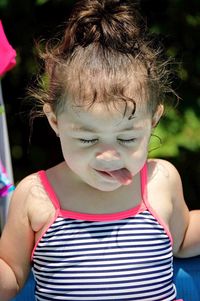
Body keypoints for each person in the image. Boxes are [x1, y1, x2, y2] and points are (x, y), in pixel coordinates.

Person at [0, 0, 200, 300]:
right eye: (87, 140)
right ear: (55, 121)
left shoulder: (160, 181)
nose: (109, 155)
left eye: (127, 139)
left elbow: (183, 237)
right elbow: (12, 276)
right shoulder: (35, 195)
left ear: (153, 120)